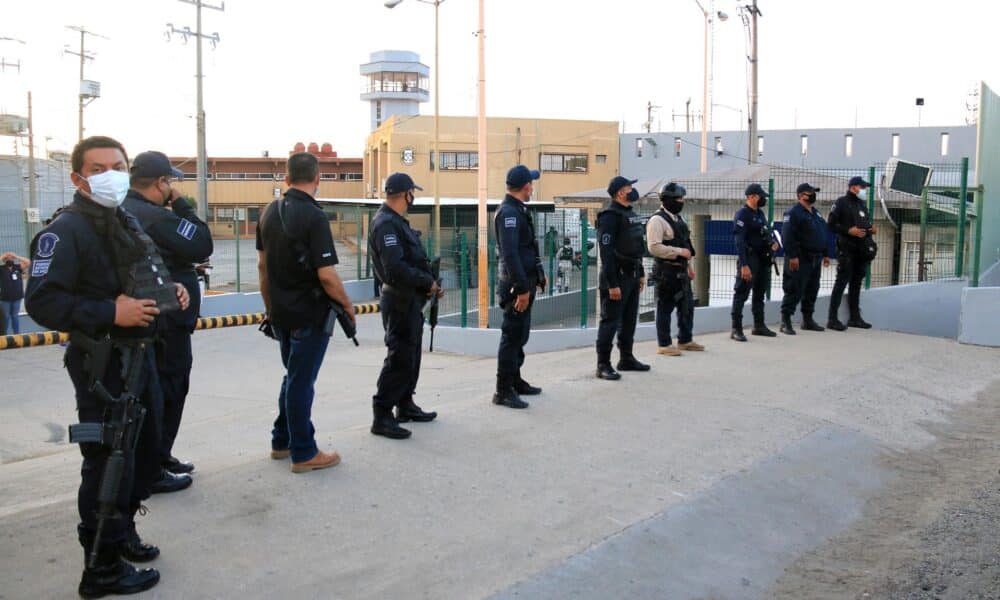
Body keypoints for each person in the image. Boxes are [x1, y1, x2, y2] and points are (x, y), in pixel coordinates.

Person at [25, 136, 190, 598]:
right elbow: (42, 301)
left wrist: (169, 295)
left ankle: (122, 536)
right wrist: (109, 313)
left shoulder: (123, 219)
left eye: (117, 165)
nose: (110, 174)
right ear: (78, 177)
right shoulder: (67, 230)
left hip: (141, 357)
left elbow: (141, 274)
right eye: (98, 168)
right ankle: (100, 568)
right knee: (108, 461)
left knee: (143, 451)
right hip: (103, 367)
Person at [257, 151, 354, 473]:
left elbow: (262, 268)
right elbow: (326, 274)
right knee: (301, 382)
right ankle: (304, 452)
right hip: (309, 315)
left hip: (281, 314)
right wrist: (347, 306)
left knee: (293, 377)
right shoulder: (314, 216)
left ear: (285, 178)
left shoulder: (269, 212)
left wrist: (270, 308)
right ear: (317, 178)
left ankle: (281, 440)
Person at [124, 151, 214, 490]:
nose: (172, 188)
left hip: (152, 318)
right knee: (169, 388)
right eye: (170, 182)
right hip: (167, 320)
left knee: (156, 390)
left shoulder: (127, 210)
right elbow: (202, 244)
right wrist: (183, 206)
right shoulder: (156, 217)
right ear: (161, 183)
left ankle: (158, 455)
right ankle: (153, 466)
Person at [368, 173, 442, 439]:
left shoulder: (397, 222)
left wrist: (429, 284)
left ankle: (405, 404)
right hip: (399, 300)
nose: (414, 198)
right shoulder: (386, 224)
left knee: (411, 356)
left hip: (411, 299)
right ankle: (382, 415)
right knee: (398, 357)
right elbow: (395, 268)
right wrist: (427, 282)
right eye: (413, 193)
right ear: (405, 194)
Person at [493, 165, 545, 409]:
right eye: (531, 184)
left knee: (520, 336)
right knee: (512, 337)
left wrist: (539, 274)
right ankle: (502, 390)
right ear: (526, 186)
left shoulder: (519, 210)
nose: (532, 188)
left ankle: (515, 380)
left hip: (526, 282)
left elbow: (528, 248)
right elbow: (511, 254)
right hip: (516, 287)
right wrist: (522, 289)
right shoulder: (509, 213)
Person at [595, 176, 650, 380]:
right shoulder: (609, 216)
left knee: (629, 321)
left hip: (632, 275)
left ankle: (626, 358)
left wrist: (641, 272)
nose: (632, 190)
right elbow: (606, 252)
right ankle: (603, 364)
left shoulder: (631, 214)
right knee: (610, 322)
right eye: (629, 187)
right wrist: (612, 283)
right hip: (616, 278)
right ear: (619, 192)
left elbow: (637, 246)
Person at [647, 183, 704, 356]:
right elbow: (654, 247)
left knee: (686, 306)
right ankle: (664, 344)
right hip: (666, 271)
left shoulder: (680, 219)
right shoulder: (657, 220)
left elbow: (686, 245)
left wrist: (690, 267)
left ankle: (685, 340)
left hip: (682, 270)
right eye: (679, 199)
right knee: (665, 308)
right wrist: (679, 252)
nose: (682, 201)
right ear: (668, 200)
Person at [827, 175, 878, 330]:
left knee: (856, 284)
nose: (864, 190)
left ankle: (855, 318)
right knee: (841, 282)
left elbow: (864, 225)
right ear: (853, 187)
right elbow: (831, 224)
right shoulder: (841, 202)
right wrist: (849, 230)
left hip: (861, 250)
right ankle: (832, 319)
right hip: (847, 249)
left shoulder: (862, 205)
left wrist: (871, 230)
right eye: (862, 187)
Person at [779, 183, 831, 334]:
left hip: (816, 258)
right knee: (794, 289)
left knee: (812, 289)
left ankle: (807, 320)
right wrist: (793, 256)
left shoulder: (816, 213)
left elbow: (822, 234)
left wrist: (826, 253)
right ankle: (785, 321)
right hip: (800, 258)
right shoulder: (793, 213)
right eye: (810, 193)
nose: (813, 195)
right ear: (801, 195)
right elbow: (787, 236)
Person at [731, 183, 778, 342]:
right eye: (761, 196)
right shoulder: (742, 214)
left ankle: (759, 325)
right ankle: (736, 328)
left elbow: (764, 233)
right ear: (751, 197)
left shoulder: (760, 214)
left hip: (762, 259)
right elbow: (739, 241)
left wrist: (772, 243)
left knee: (759, 293)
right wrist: (744, 265)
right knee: (742, 293)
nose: (763, 199)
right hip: (749, 259)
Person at [0, 251, 29, 334]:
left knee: (15, 316)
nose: (9, 259)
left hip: (17, 297)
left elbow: (28, 262)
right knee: (5, 317)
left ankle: (16, 334)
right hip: (5, 298)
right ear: (4, 260)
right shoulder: (1, 269)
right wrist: (2, 256)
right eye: (7, 258)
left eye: (11, 258)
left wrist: (16, 256)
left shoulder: (17, 267)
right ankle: (3, 334)